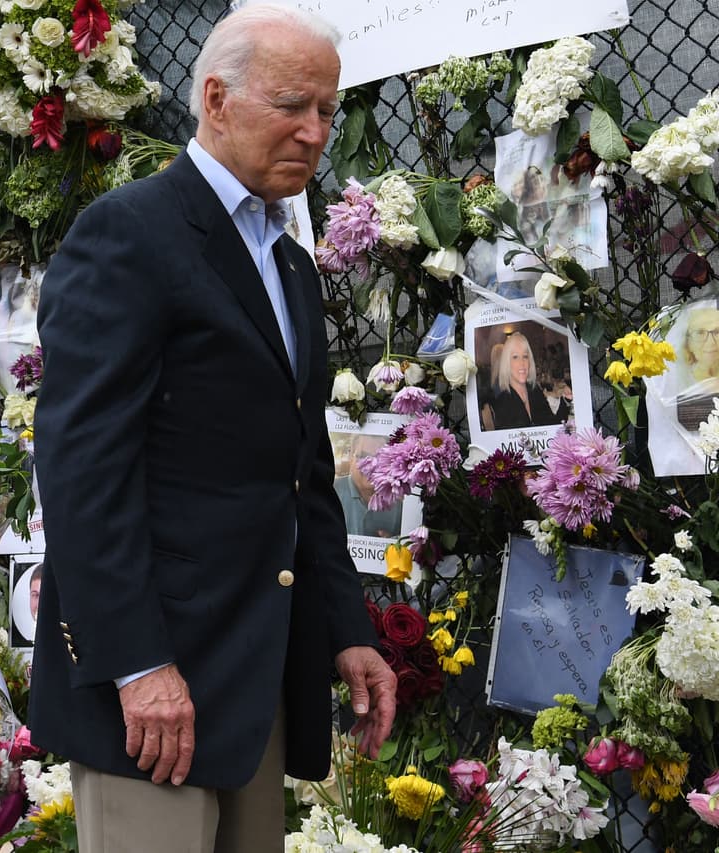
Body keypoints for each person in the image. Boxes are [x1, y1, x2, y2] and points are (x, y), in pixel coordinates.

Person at [30, 6, 396, 851]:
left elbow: (300, 474)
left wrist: (347, 629)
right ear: (216, 97)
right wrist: (137, 664)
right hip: (154, 696)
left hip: (250, 679)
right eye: (293, 106)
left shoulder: (292, 262)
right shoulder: (129, 232)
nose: (314, 133)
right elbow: (83, 466)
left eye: (328, 111)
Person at [482, 331, 569, 431]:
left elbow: (554, 425)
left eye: (525, 356)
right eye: (515, 357)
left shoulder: (535, 391)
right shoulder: (502, 401)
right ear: (507, 363)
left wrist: (565, 400)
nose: (522, 363)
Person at [333, 434, 402, 538]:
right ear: (351, 456)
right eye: (364, 456)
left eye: (379, 458)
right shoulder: (331, 491)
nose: (371, 465)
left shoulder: (400, 502)